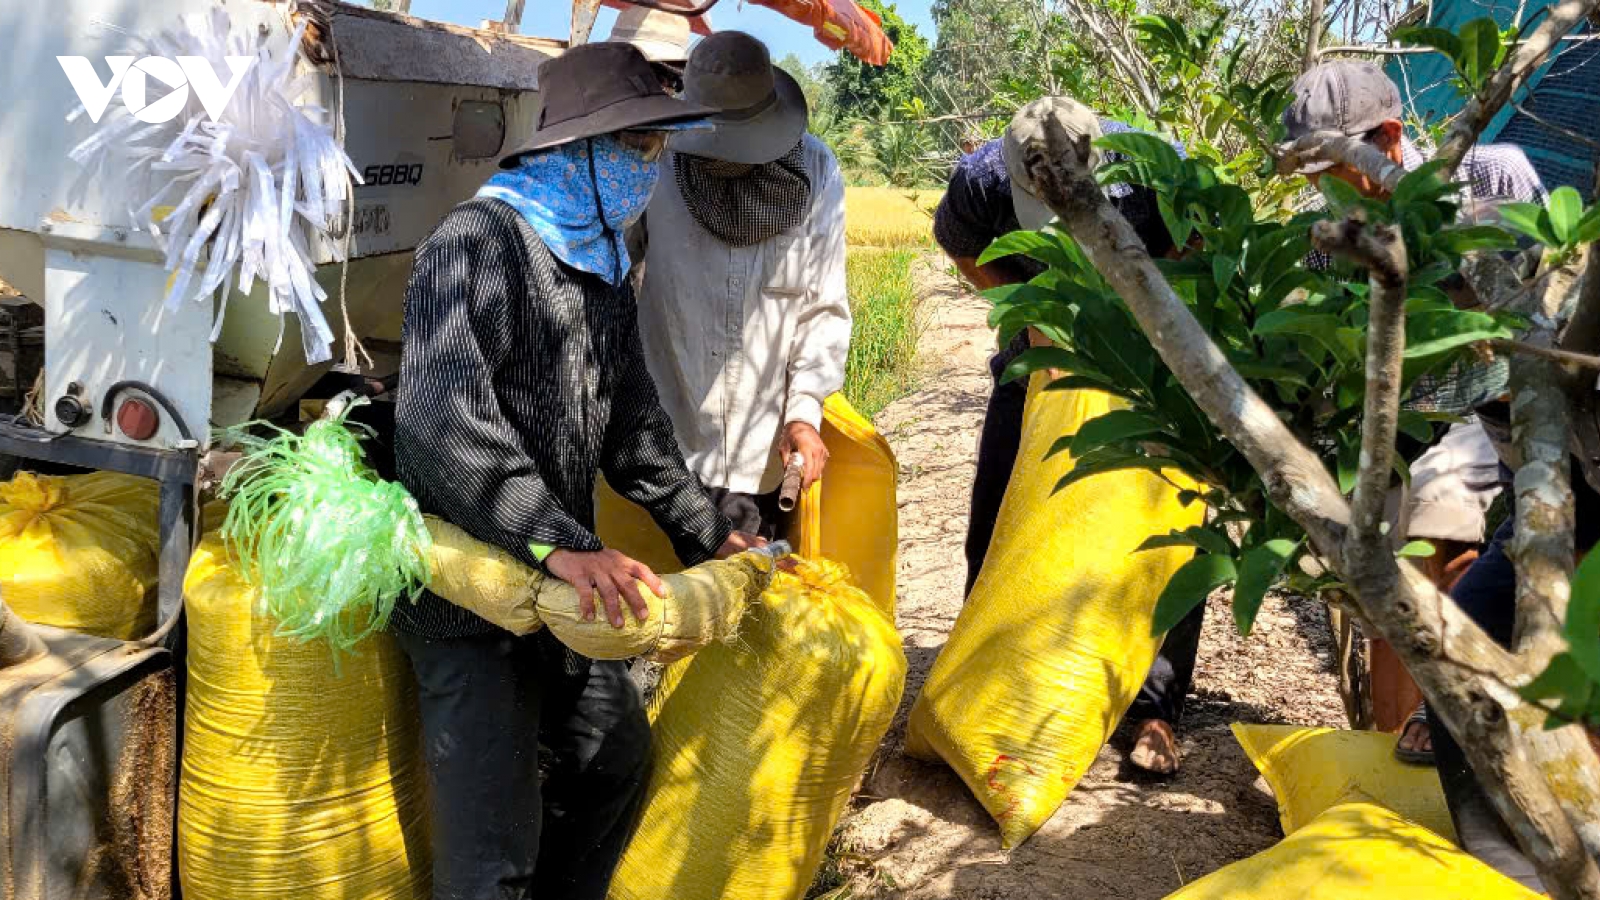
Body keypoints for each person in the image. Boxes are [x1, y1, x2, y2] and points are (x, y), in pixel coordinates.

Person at [391, 42, 762, 900]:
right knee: (492, 860)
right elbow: (440, 424)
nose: (652, 166)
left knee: (612, 761)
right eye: (638, 149)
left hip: (562, 586)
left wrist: (711, 531)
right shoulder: (475, 244)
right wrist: (558, 542)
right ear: (581, 151)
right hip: (470, 595)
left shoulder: (599, 264)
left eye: (655, 148)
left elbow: (634, 429)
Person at [1281, 59, 1548, 763]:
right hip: (1405, 413)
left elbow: (1544, 304)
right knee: (1383, 565)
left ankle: (1472, 735)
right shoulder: (1333, 242)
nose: (1321, 192)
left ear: (1389, 137)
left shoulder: (1493, 176)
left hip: (1516, 411)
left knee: (1452, 531)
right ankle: (1399, 742)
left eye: (1331, 170)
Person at [932, 96, 1199, 776]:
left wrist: (1139, 316)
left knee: (1165, 533)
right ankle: (983, 687)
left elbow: (1194, 248)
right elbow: (961, 248)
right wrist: (1023, 314)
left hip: (1145, 367)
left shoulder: (1151, 170)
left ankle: (1155, 710)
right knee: (997, 515)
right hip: (1036, 360)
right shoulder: (983, 179)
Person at [636, 31, 850, 538]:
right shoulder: (654, 165)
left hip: (769, 448)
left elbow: (822, 307)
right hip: (672, 434)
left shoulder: (817, 170)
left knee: (758, 596)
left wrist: (803, 414)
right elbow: (608, 278)